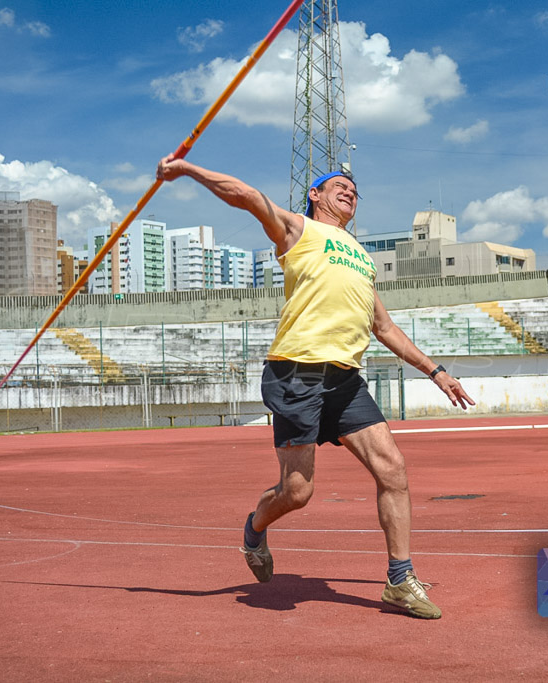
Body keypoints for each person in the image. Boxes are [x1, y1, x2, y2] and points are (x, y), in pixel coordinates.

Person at [157, 156, 475, 619]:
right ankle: (255, 526)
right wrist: (188, 170)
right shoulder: (297, 231)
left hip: (345, 380)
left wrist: (436, 371)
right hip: (295, 374)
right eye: (339, 185)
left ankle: (400, 580)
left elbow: (383, 327)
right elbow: (245, 196)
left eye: (355, 190)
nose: (350, 191)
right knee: (298, 492)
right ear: (315, 194)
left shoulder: (362, 258)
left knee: (393, 471)